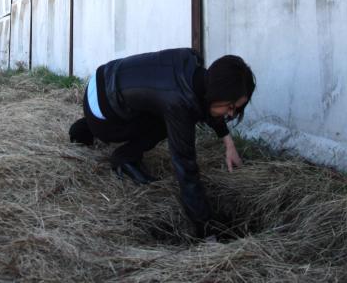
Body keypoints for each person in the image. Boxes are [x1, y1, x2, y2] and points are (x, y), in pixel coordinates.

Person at [69, 47, 256, 238]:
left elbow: (205, 103)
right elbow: (185, 168)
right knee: (164, 124)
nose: (231, 114)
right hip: (104, 111)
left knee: (150, 103)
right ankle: (124, 157)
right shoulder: (178, 103)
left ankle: (83, 129)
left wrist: (229, 143)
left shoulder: (191, 63)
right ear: (218, 92)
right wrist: (206, 227)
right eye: (231, 107)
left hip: (102, 79)